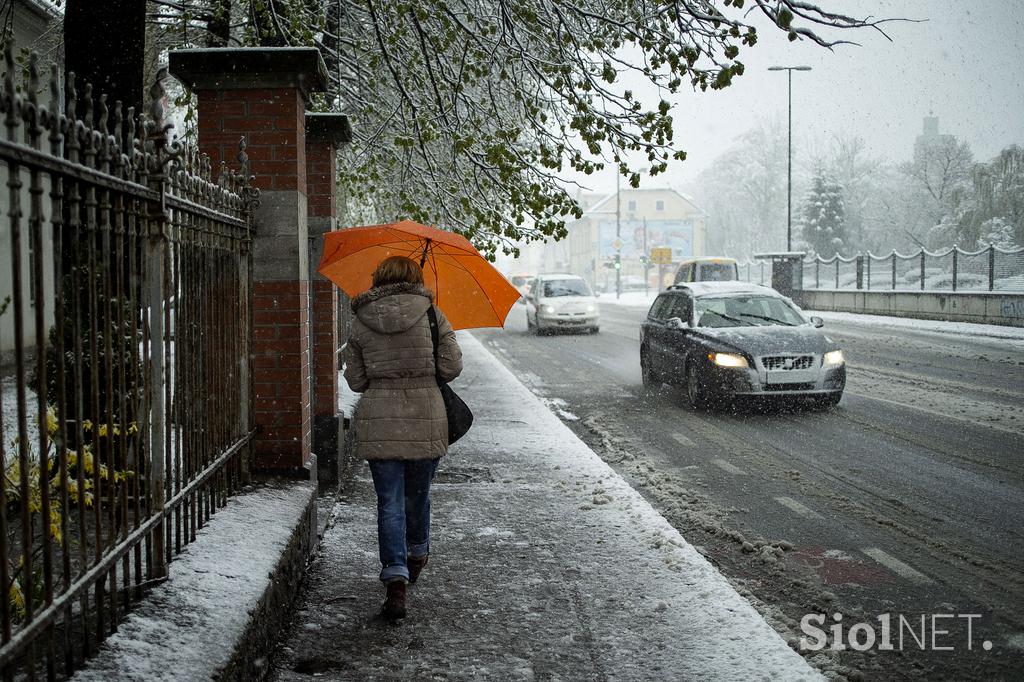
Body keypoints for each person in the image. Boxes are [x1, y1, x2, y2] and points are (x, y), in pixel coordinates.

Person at [343, 255, 463, 621]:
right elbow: (451, 366)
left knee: (388, 502)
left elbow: (356, 380)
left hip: (380, 421)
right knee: (418, 494)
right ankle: (418, 552)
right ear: (416, 278)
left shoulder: (361, 320)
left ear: (378, 278)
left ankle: (394, 577)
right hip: (426, 417)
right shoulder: (432, 315)